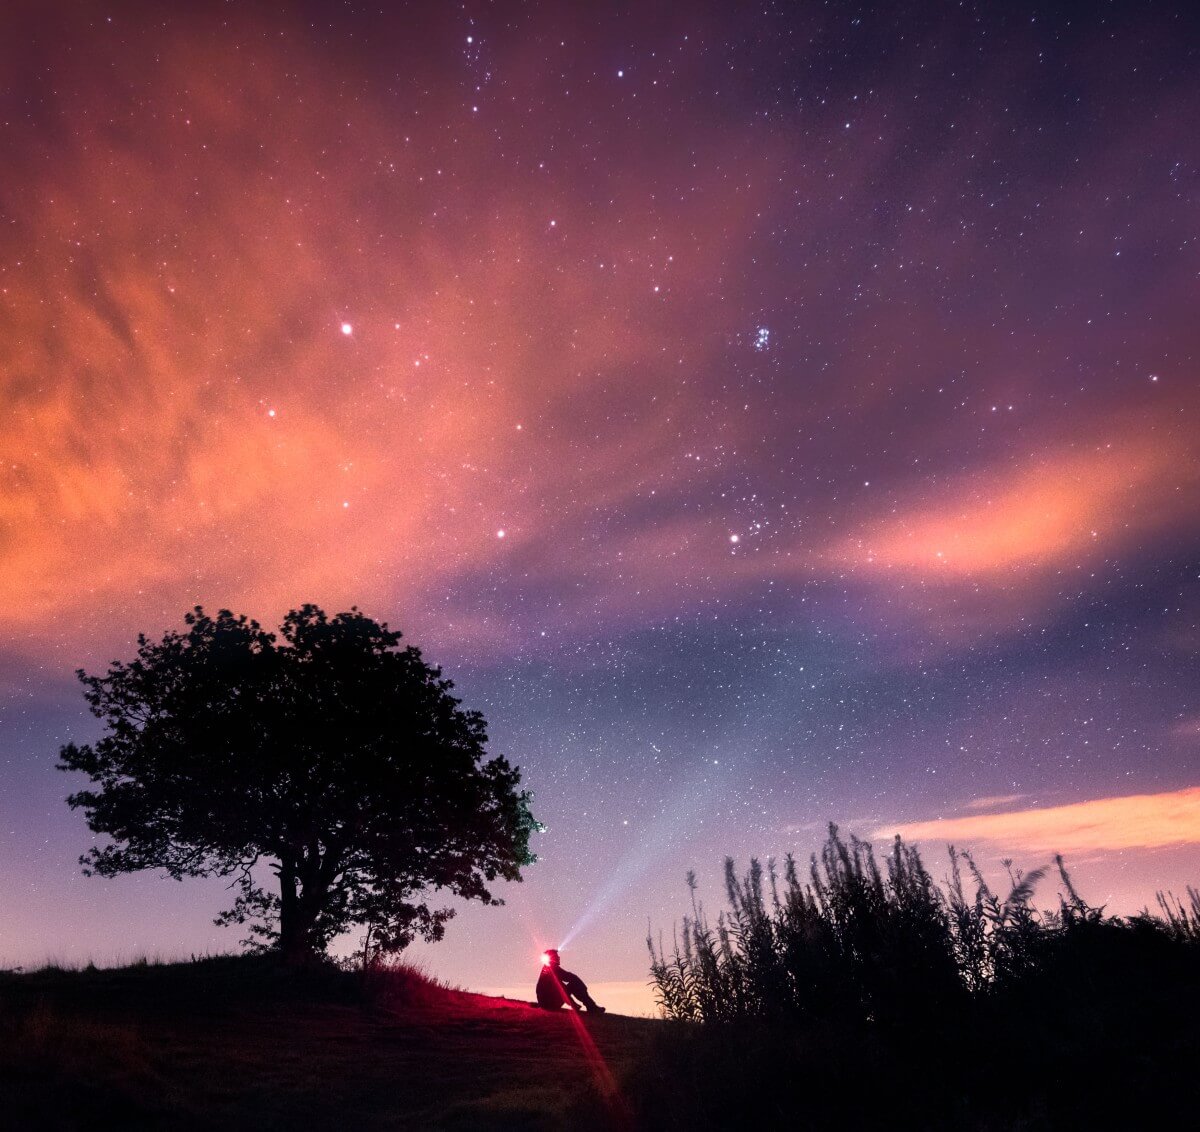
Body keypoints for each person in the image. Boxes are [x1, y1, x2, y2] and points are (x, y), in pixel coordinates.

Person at [536, 949, 606, 1013]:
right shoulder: (552, 968)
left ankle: (591, 1006)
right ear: (552, 958)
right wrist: (581, 990)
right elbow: (568, 980)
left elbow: (567, 980)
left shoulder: (550, 968)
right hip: (549, 1004)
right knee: (574, 983)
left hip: (547, 1003)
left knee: (573, 983)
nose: (558, 957)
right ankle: (591, 1007)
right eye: (556, 956)